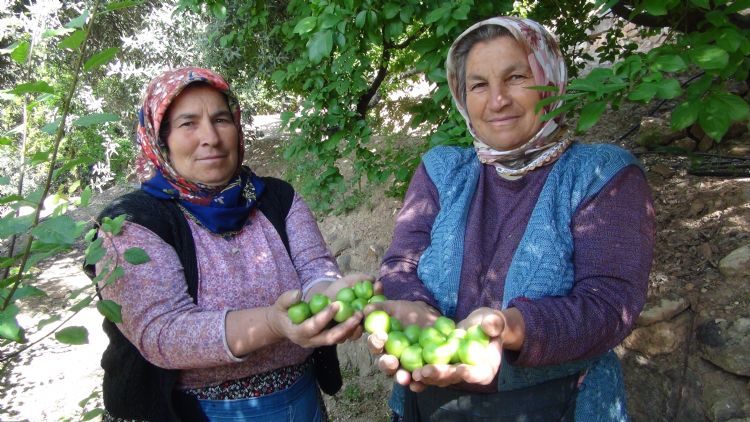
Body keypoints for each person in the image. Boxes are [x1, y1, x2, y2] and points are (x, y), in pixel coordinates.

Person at [367, 17, 655, 421]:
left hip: (561, 405)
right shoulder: (442, 169)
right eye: (479, 84)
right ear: (461, 96)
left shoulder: (601, 175)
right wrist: (415, 308)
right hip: (432, 404)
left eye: (516, 77)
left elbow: (610, 306)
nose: (497, 100)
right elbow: (401, 263)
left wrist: (509, 328)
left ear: (550, 81)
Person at [88, 67, 370, 421]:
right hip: (191, 411)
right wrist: (271, 323)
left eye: (221, 119)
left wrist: (330, 295)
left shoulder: (276, 198)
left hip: (299, 400)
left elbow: (315, 269)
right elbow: (162, 333)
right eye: (188, 124)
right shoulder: (131, 223)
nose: (211, 137)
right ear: (161, 140)